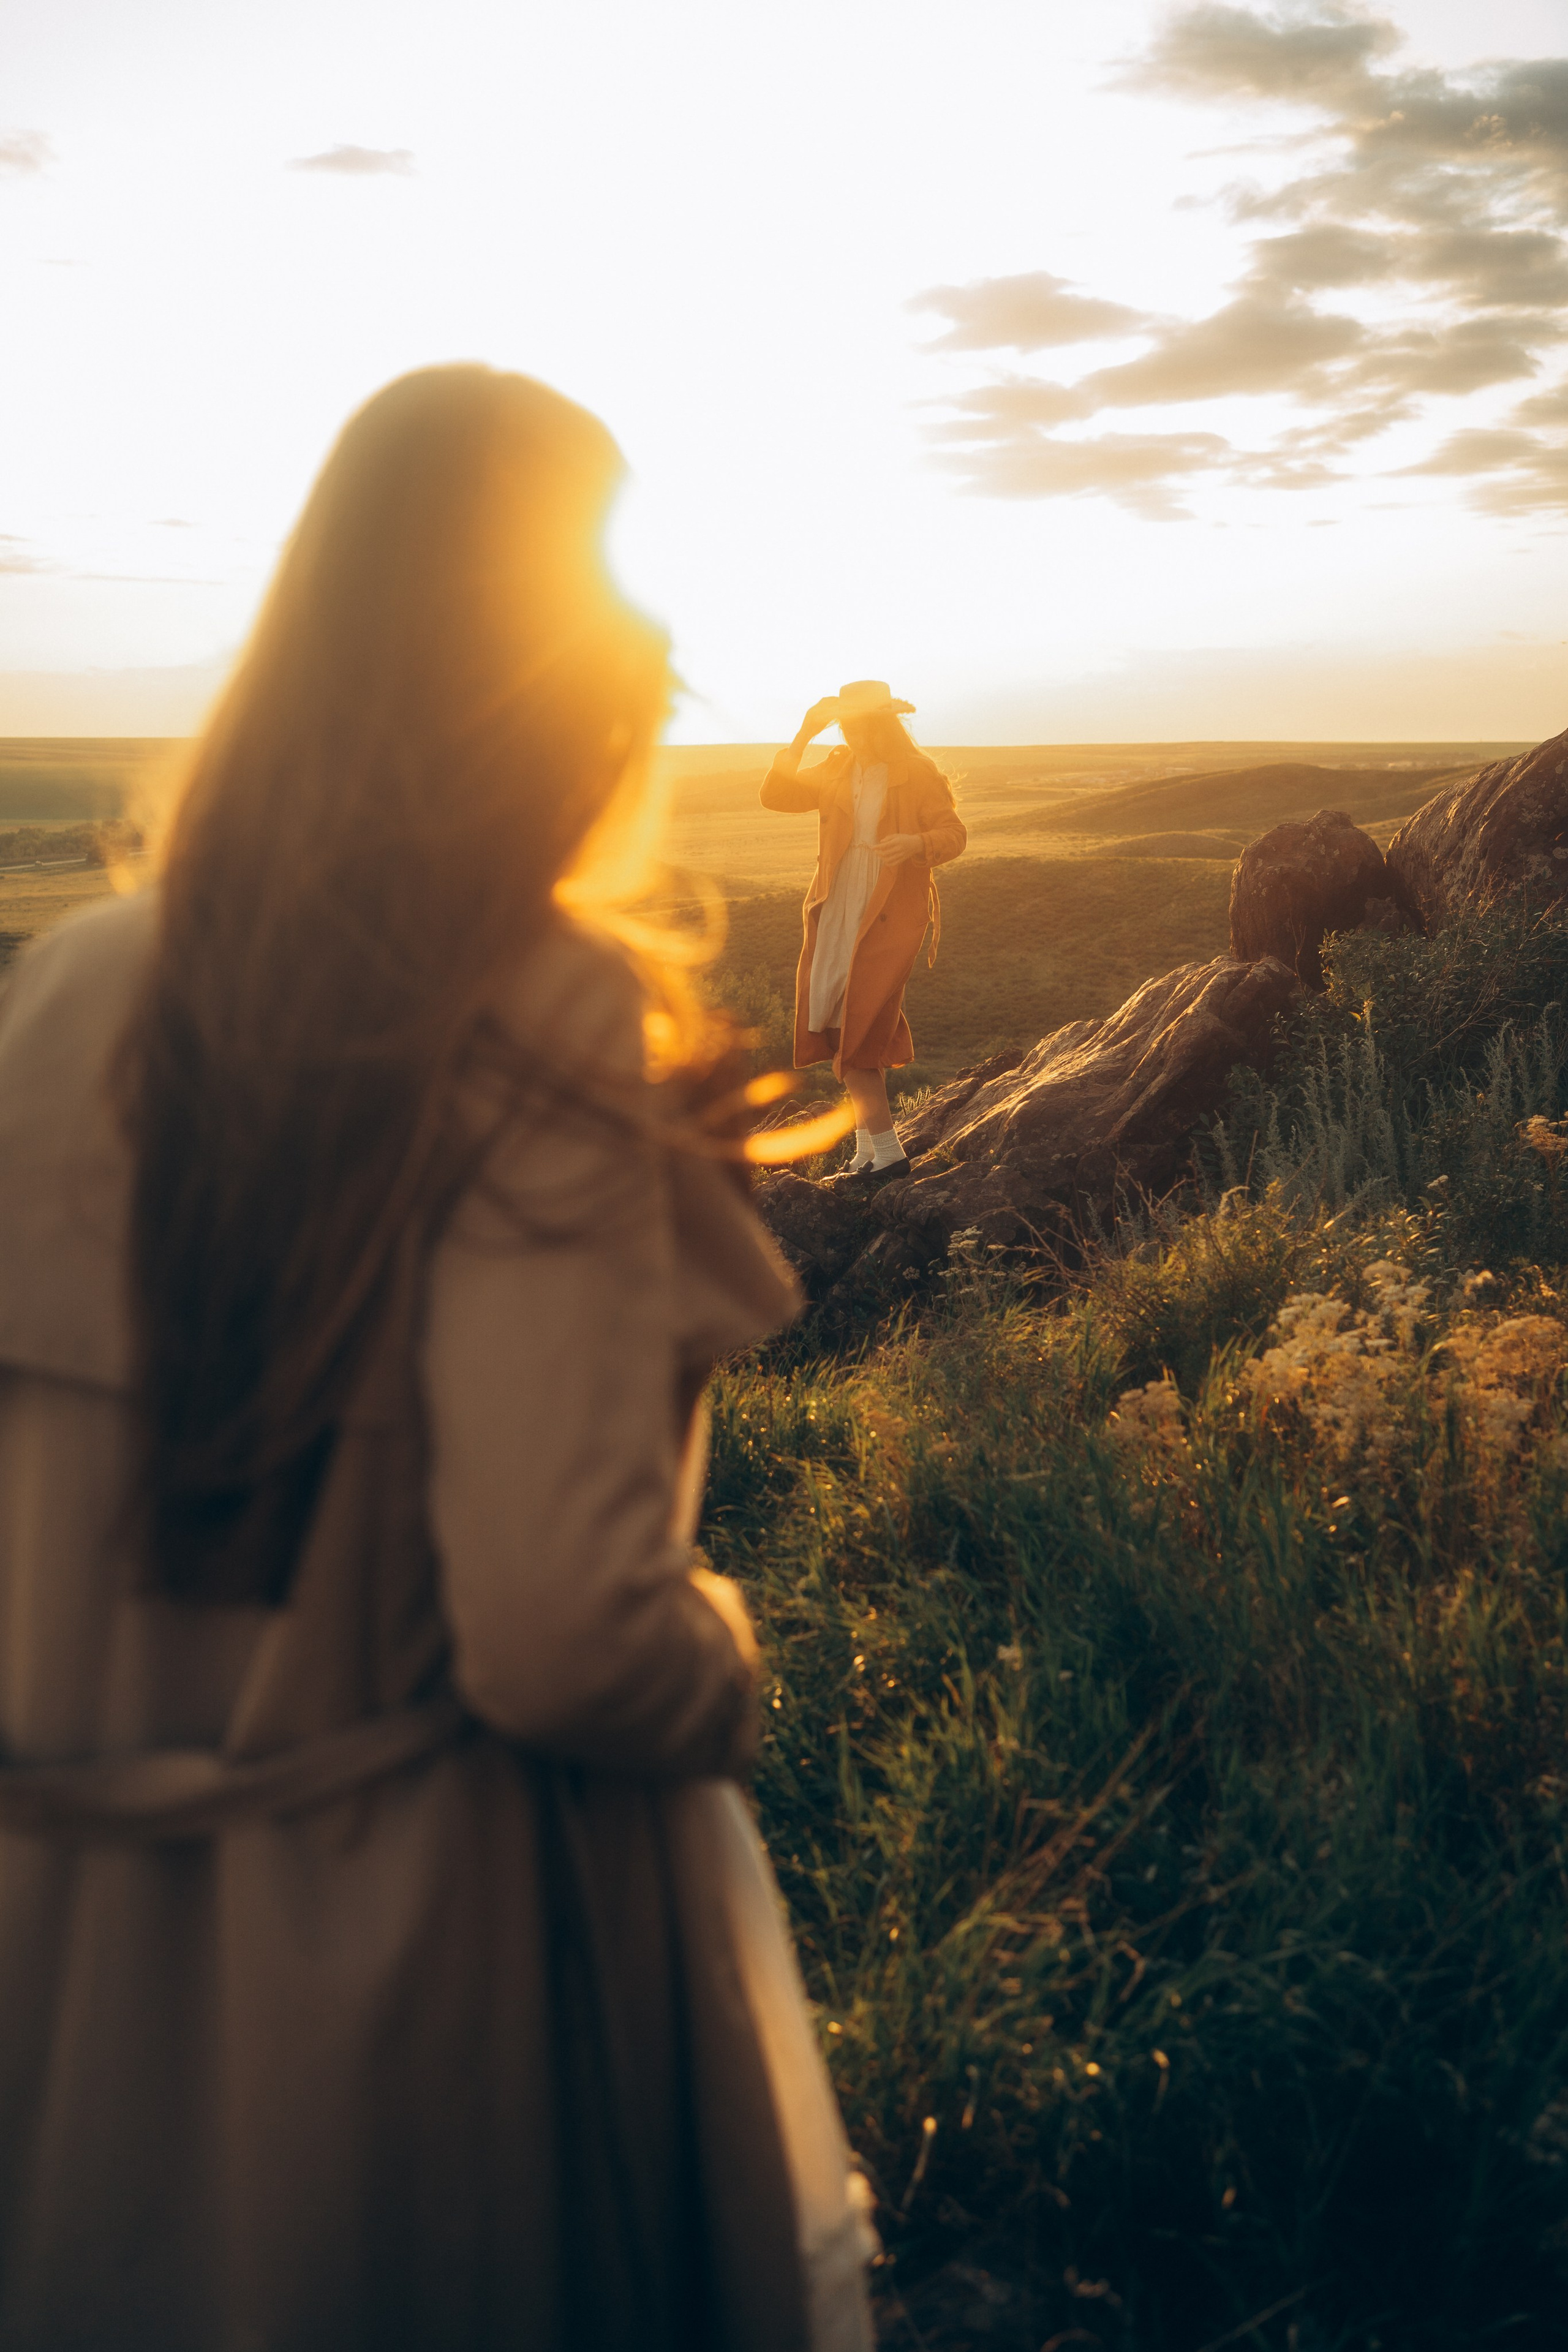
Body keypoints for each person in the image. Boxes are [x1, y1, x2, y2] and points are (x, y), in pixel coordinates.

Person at [0, 367, 875, 2351]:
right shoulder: (532, 1022)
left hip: (71, 1981)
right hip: (413, 2002)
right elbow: (565, 1629)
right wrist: (725, 1664)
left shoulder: (71, 987)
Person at [761, 684, 965, 1182]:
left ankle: (889, 1155)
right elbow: (777, 795)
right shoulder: (837, 765)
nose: (850, 731)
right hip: (837, 905)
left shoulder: (916, 773)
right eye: (843, 724)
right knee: (837, 1022)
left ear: (881, 725)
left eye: (858, 724)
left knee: (861, 1025)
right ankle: (866, 1154)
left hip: (886, 912)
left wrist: (917, 842)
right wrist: (805, 732)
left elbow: (954, 834)